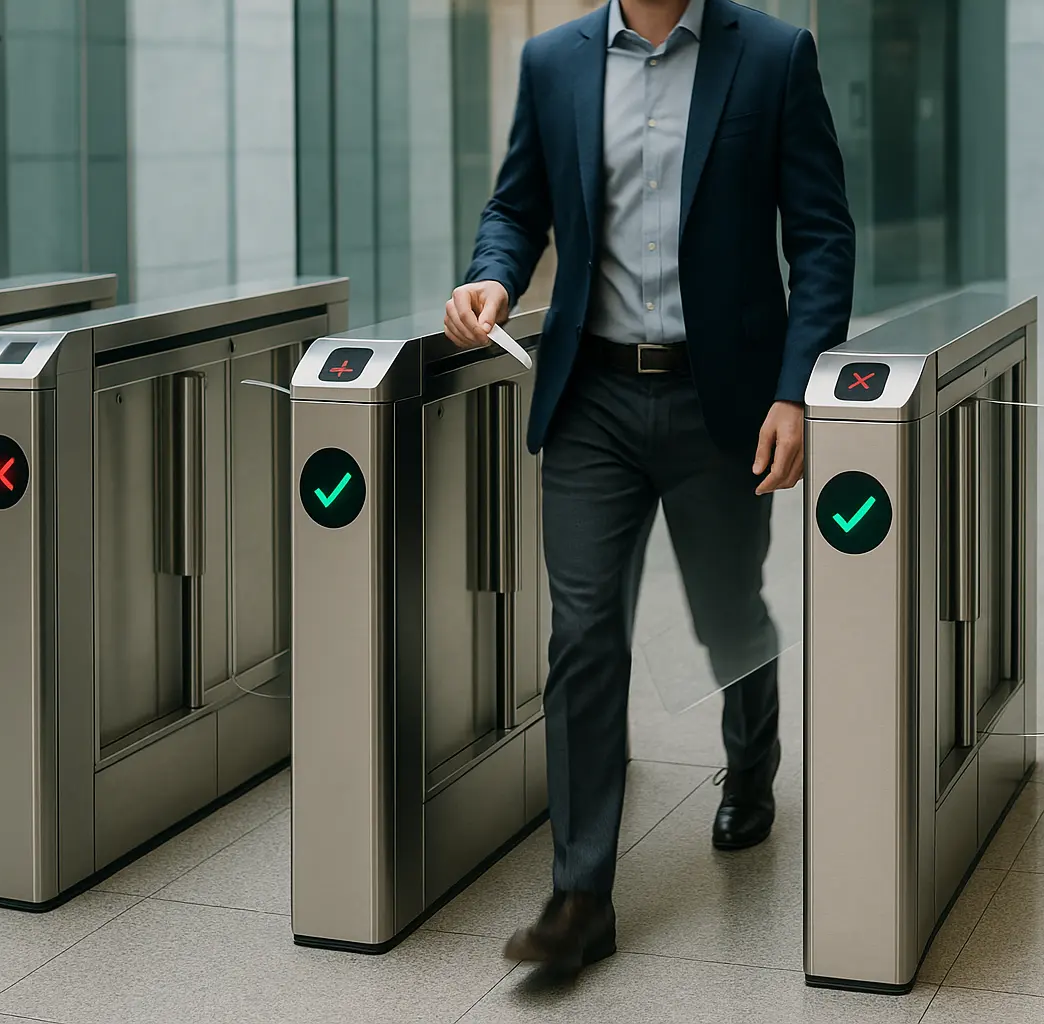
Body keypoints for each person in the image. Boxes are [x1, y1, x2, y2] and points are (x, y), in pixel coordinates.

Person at [443, 0, 854, 974]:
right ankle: (581, 892)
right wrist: (492, 277)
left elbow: (823, 238)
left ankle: (752, 758)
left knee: (727, 611)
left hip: (723, 395)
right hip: (591, 395)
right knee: (584, 631)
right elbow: (516, 206)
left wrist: (796, 391)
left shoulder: (774, 55)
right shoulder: (555, 62)